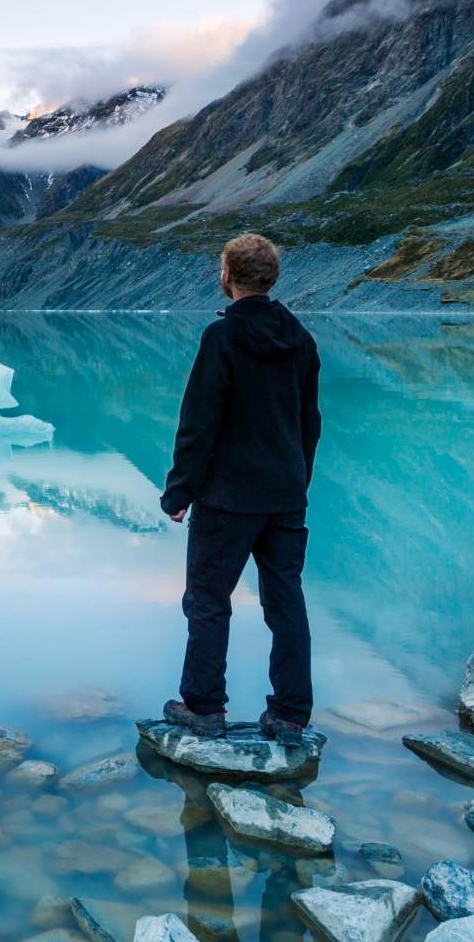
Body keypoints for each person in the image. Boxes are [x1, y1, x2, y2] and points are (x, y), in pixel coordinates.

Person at [160, 232, 322, 740]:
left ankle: (204, 707)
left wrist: (179, 492)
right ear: (272, 278)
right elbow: (308, 422)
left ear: (226, 276)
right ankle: (291, 713)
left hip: (229, 498)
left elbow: (199, 422)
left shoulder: (221, 338)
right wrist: (298, 480)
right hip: (285, 494)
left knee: (208, 599)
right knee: (285, 600)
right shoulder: (300, 339)